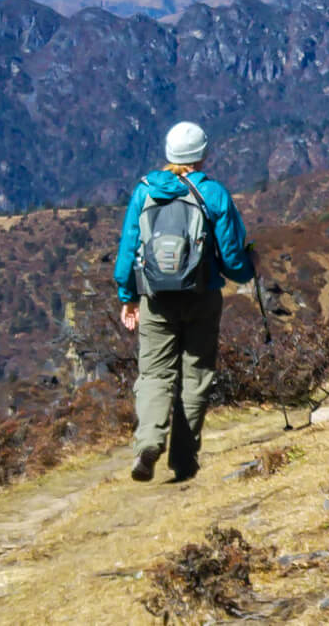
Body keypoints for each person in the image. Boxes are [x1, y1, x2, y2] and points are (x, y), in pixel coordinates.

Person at [114, 121, 256, 482]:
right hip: (202, 296)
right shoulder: (214, 194)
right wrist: (247, 270)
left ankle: (148, 442)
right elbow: (234, 260)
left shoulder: (144, 191)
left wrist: (128, 296)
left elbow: (128, 250)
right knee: (196, 375)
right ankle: (183, 459)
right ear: (203, 153)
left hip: (155, 299)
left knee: (154, 373)